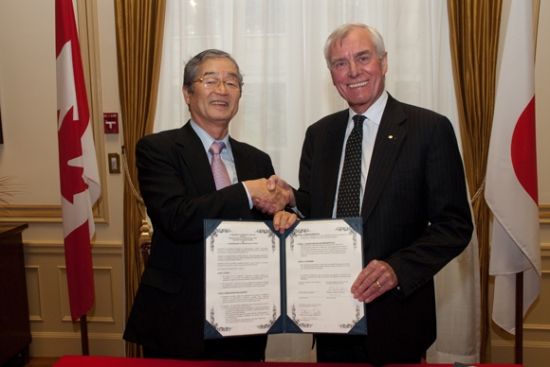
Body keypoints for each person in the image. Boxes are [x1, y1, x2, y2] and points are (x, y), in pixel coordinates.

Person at [267, 23, 473, 365]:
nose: (353, 72)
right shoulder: (319, 135)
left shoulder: (428, 129)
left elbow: (454, 226)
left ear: (384, 61)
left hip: (396, 320)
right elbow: (319, 210)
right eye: (340, 63)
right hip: (329, 317)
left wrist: (397, 269)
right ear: (331, 74)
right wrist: (292, 201)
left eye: (363, 58)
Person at [123, 49, 293, 361]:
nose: (222, 90)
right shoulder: (158, 149)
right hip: (178, 319)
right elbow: (178, 218)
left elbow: (266, 229)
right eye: (210, 80)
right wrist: (243, 191)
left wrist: (284, 217)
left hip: (244, 317)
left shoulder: (256, 159)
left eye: (232, 82)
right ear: (187, 93)